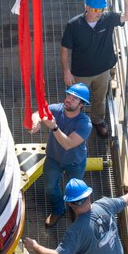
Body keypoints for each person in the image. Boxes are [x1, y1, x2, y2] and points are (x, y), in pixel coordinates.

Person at [60, 0, 128, 138]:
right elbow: (65, 49)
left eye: (101, 9)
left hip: (102, 71)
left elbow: (127, 16)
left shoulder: (107, 19)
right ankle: (72, 123)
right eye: (95, 9)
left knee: (100, 98)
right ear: (86, 6)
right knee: (75, 99)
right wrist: (67, 71)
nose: (98, 12)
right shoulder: (74, 25)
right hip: (81, 73)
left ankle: (98, 121)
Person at [33, 83, 95, 228]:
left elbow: (68, 144)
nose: (69, 99)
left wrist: (54, 127)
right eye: (69, 96)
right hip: (53, 159)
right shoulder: (56, 109)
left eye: (75, 99)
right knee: (50, 187)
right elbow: (39, 113)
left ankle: (76, 209)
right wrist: (36, 121)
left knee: (76, 189)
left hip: (75, 162)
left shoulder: (85, 124)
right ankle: (58, 210)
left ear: (81, 105)